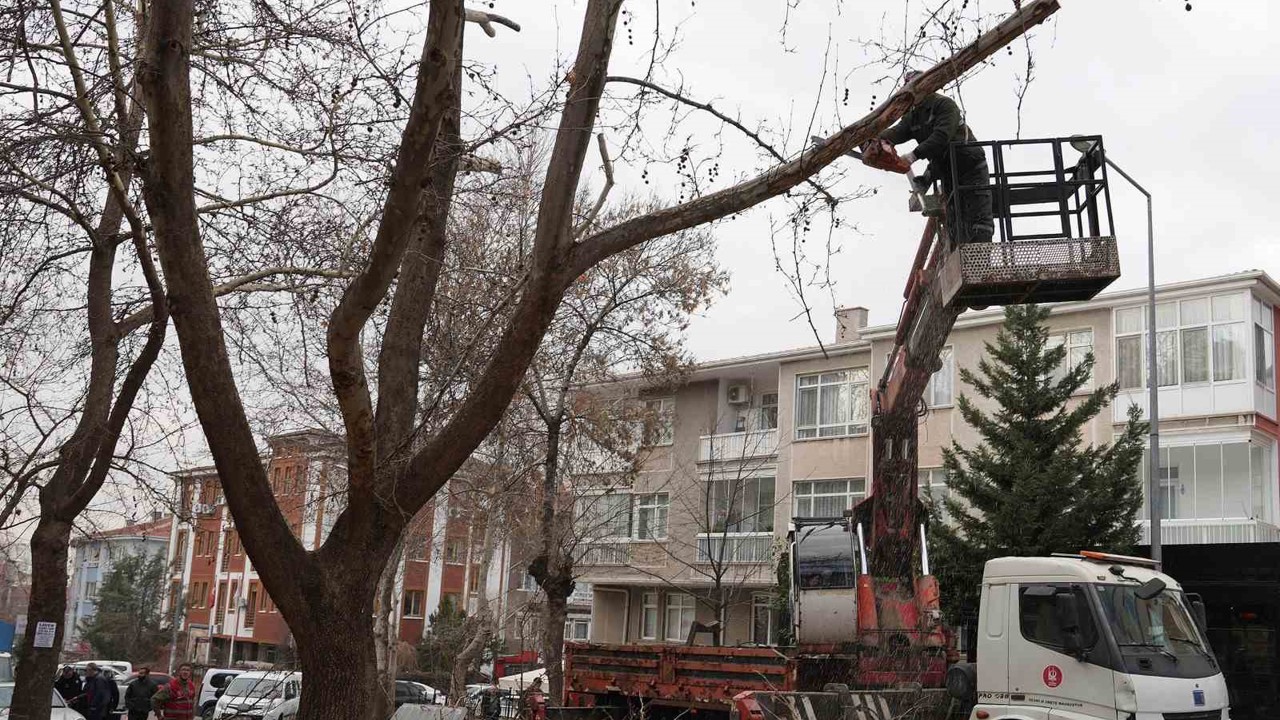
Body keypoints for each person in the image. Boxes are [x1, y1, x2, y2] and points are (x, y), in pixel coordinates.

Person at [878, 70, 994, 248]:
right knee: (955, 222)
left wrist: (911, 156)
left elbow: (941, 137)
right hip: (946, 170)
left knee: (978, 220)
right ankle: (959, 261)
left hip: (970, 167)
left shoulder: (945, 105)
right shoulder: (914, 116)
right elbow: (897, 131)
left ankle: (980, 266)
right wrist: (878, 140)